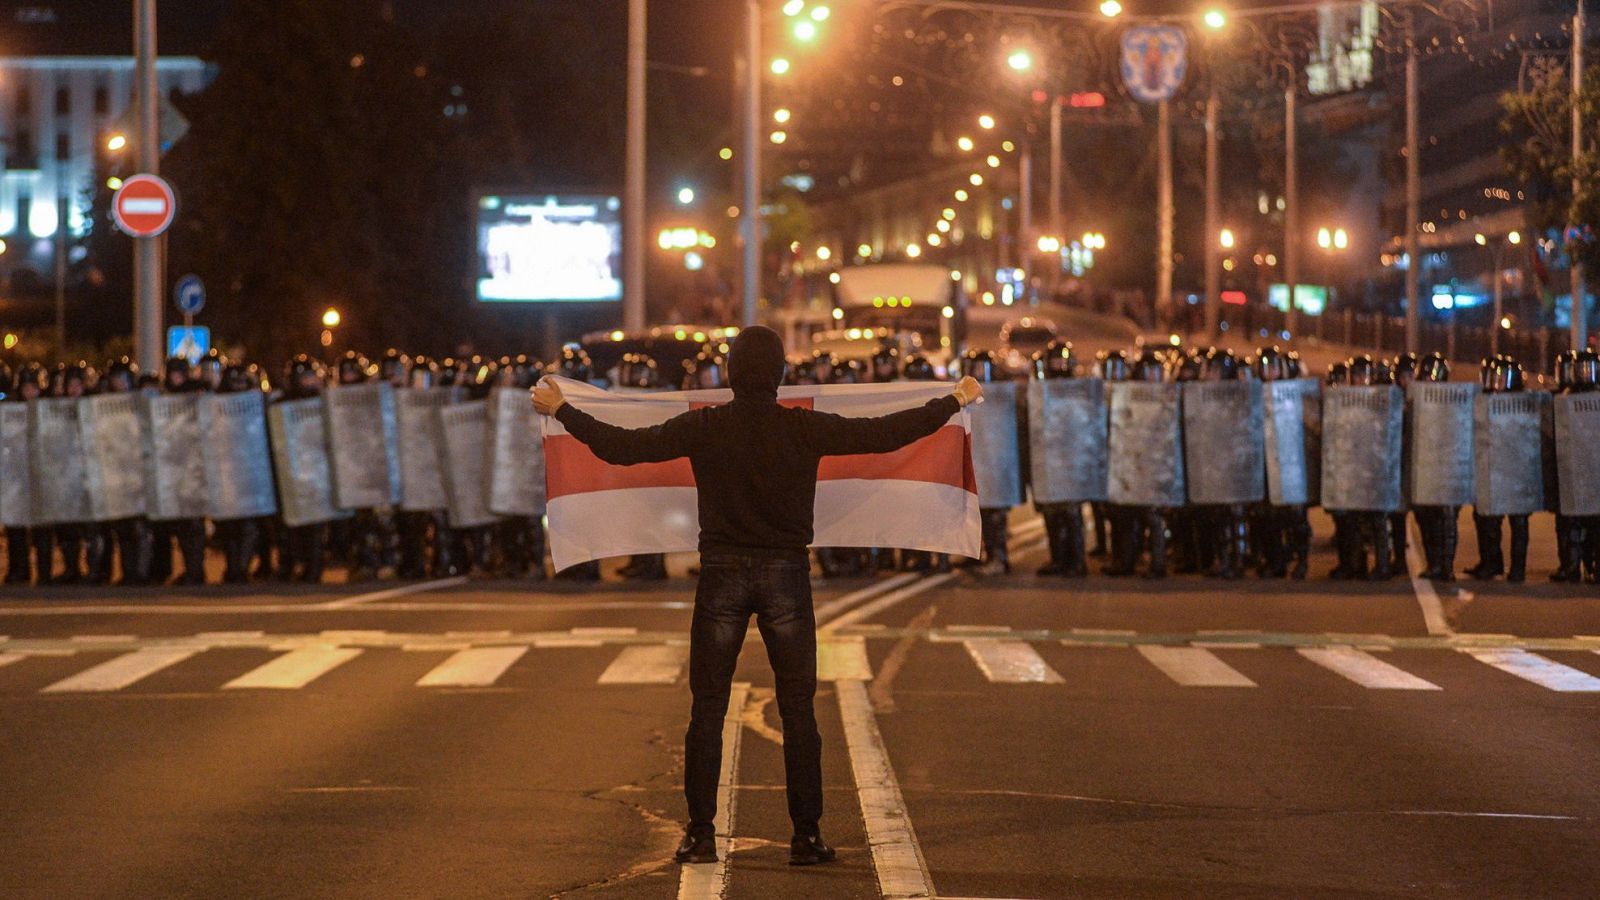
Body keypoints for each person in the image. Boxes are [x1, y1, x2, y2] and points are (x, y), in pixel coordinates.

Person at [532, 325, 980, 867]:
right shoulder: (802, 429)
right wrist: (953, 399)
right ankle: (806, 837)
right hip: (786, 573)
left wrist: (562, 410)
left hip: (720, 572)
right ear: (782, 377)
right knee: (798, 711)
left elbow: (623, 448)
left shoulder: (706, 426)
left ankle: (699, 835)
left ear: (729, 376)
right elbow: (887, 433)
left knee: (708, 710)